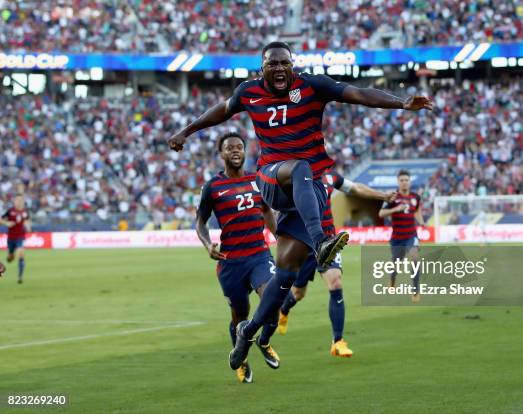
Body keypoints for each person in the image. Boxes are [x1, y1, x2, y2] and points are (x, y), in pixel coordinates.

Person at [168, 41, 433, 370]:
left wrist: (402, 103)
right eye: (272, 64)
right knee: (301, 166)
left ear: (292, 65)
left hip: (304, 199)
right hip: (271, 179)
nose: (279, 69)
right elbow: (221, 111)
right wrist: (186, 130)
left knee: (283, 278)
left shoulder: (312, 85)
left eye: (284, 63)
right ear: (261, 68)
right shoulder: (249, 92)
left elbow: (358, 93)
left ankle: (250, 334)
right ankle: (322, 243)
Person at [278, 169, 396, 357]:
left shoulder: (330, 176)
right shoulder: (293, 174)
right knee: (298, 293)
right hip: (303, 242)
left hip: (328, 241)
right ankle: (284, 310)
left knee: (336, 282)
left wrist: (382, 195)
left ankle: (338, 341)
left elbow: (355, 188)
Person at [196, 132, 280, 383]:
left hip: (258, 255)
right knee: (240, 316)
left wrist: (280, 236)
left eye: (240, 147)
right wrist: (207, 243)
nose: (235, 151)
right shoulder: (212, 187)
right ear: (221, 154)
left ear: (245, 152)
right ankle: (241, 360)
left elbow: (266, 210)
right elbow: (200, 221)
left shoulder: (258, 180)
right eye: (230, 148)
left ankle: (263, 341)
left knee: (272, 301)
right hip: (231, 262)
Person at [378, 170, 425, 301]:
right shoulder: (392, 197)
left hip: (411, 235)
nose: (404, 182)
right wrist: (395, 209)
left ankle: (416, 291)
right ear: (398, 182)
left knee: (415, 257)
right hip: (397, 238)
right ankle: (392, 281)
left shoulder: (415, 197)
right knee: (396, 265)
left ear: (410, 182)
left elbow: (417, 211)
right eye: (402, 180)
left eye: (406, 180)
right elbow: (381, 214)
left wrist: (422, 222)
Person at [1, 194, 31, 284]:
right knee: (10, 258)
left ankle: (20, 277)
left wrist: (28, 226)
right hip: (11, 238)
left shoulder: (25, 212)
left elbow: (28, 221)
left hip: (20, 237)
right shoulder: (10, 211)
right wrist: (7, 223)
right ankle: (10, 255)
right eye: (17, 200)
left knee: (21, 253)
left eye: (21, 200)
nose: (19, 202)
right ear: (14, 201)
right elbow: (1, 219)